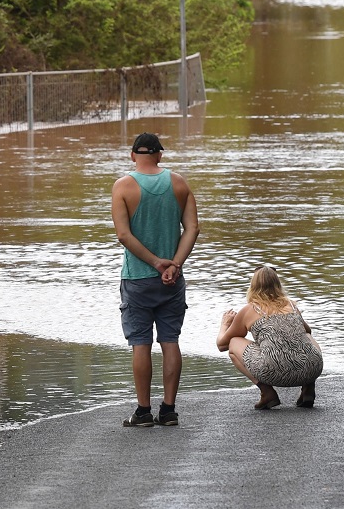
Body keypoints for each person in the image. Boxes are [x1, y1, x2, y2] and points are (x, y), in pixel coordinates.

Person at [111, 131, 199, 427]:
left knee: (141, 343)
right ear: (160, 155)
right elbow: (192, 229)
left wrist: (155, 263)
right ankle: (170, 410)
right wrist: (174, 264)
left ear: (132, 155)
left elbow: (124, 235)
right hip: (172, 280)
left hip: (137, 278)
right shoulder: (179, 183)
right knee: (170, 340)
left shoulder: (123, 187)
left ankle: (144, 411)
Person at [216, 265, 323, 410]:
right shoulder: (291, 305)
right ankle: (308, 389)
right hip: (311, 369)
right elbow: (307, 331)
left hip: (274, 372)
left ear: (253, 285)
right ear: (278, 284)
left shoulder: (250, 309)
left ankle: (267, 393)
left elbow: (222, 345)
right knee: (306, 336)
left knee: (234, 342)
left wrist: (225, 324)